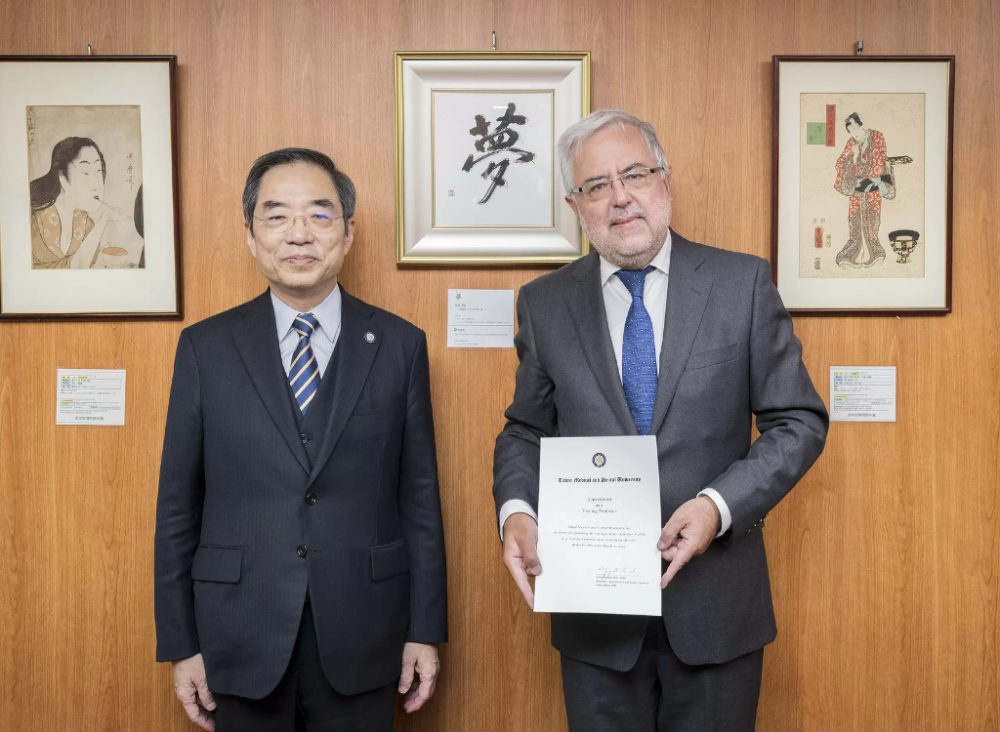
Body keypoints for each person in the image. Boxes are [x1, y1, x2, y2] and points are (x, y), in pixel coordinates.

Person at [494, 110, 828, 732]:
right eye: (596, 186)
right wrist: (517, 511)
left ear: (665, 182)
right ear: (577, 204)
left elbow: (797, 421)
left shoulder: (741, 283)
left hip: (716, 608)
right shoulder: (544, 303)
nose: (620, 197)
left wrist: (717, 506)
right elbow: (525, 430)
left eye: (634, 174)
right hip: (594, 617)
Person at [155, 148, 447, 732]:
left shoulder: (398, 345)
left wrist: (425, 630)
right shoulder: (204, 349)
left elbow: (420, 502)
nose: (298, 234)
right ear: (250, 234)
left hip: (366, 632)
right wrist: (180, 642)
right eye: (276, 215)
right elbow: (177, 507)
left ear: (348, 232)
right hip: (237, 634)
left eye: (319, 215)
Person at [29, 136, 132, 269]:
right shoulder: (33, 219)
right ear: (63, 180)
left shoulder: (86, 225)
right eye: (86, 173)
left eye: (99, 171)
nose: (97, 185)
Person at [834, 112, 896, 268]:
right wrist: (853, 157)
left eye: (854, 126)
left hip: (874, 187)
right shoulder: (851, 143)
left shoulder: (876, 136)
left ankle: (876, 254)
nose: (853, 131)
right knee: (855, 221)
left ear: (859, 124)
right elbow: (841, 162)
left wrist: (866, 174)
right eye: (850, 129)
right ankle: (851, 256)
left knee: (873, 219)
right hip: (857, 188)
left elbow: (881, 158)